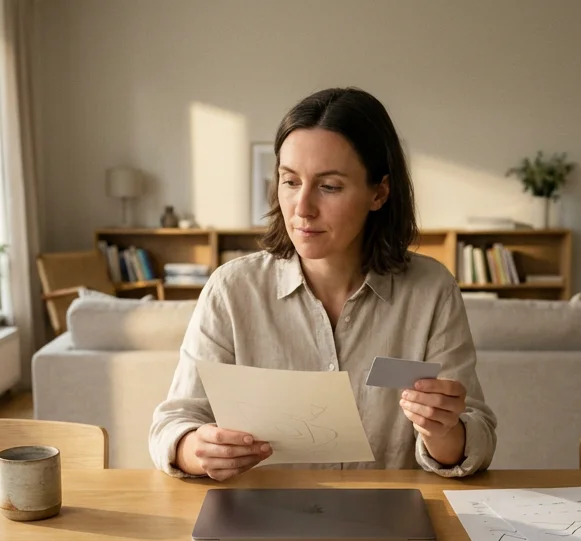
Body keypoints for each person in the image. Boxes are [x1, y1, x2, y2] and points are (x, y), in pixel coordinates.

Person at [149, 87, 496, 480]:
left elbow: (477, 434)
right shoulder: (231, 290)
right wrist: (196, 449)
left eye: (329, 186)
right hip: (260, 515)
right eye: (290, 181)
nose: (302, 208)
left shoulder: (432, 289)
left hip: (388, 518)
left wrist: (444, 431)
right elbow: (173, 423)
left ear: (379, 192)